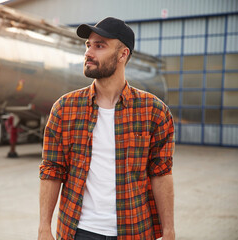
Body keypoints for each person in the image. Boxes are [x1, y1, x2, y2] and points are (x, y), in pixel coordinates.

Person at [38, 17, 175, 240]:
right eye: (88, 45)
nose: (88, 53)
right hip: (78, 231)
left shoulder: (154, 112)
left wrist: (169, 231)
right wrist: (44, 227)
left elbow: (161, 173)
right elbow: (52, 170)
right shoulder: (64, 108)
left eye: (99, 46)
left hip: (135, 230)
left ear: (123, 54)